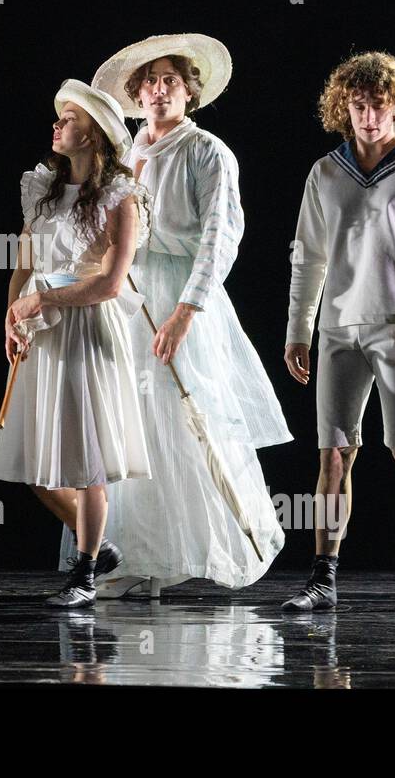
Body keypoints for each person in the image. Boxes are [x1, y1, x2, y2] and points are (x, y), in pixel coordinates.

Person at [86, 33, 293, 598]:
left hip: (181, 294)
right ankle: (137, 557)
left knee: (188, 418)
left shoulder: (207, 152)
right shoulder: (129, 152)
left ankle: (205, 549)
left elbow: (220, 237)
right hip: (130, 296)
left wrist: (185, 313)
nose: (158, 92)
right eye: (149, 83)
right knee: (134, 422)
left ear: (188, 91)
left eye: (169, 81)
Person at [282, 50, 395, 611]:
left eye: (380, 107)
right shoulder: (325, 171)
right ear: (344, 107)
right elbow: (307, 259)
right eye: (359, 106)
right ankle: (322, 578)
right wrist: (298, 330)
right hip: (337, 327)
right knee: (333, 456)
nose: (369, 117)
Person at [0, 79, 152, 608]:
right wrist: (13, 318)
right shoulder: (41, 191)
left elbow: (110, 283)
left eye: (70, 119)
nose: (57, 126)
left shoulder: (120, 198)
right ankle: (100, 549)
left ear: (95, 135)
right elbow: (23, 265)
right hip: (44, 330)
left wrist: (45, 302)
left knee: (85, 459)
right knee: (38, 466)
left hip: (87, 328)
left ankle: (83, 571)